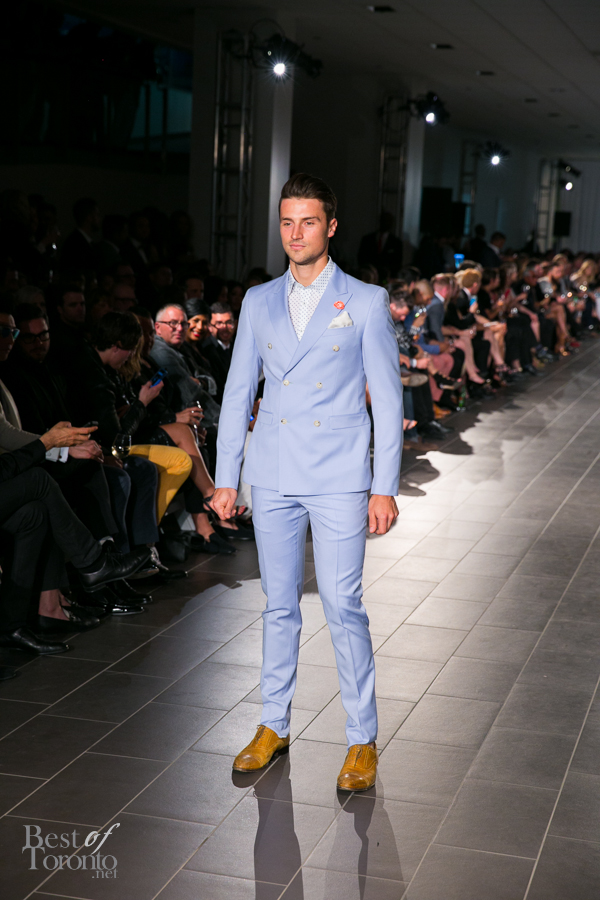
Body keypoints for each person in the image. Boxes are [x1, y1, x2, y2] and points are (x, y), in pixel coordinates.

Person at [212, 173, 403, 791]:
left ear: (331, 226)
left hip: (339, 473)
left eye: (309, 222)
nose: (296, 234)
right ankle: (273, 724)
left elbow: (387, 399)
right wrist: (226, 478)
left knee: (344, 605)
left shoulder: (365, 301)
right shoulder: (258, 300)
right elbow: (238, 391)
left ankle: (361, 739)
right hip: (272, 471)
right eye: (287, 222)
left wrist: (384, 485)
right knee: (277, 604)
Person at [59, 198, 101, 273]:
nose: (99, 219)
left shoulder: (77, 241)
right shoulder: (76, 243)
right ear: (89, 217)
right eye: (97, 215)